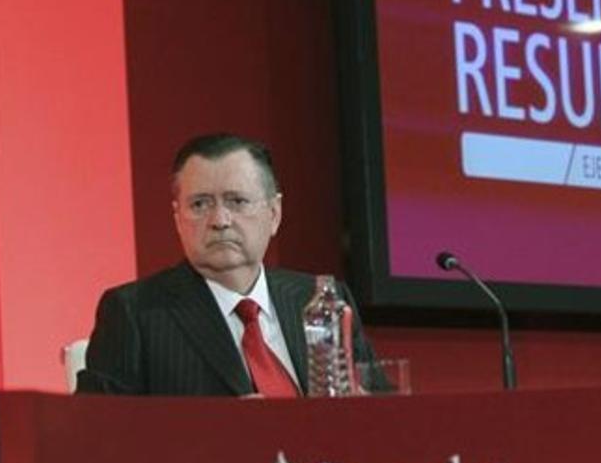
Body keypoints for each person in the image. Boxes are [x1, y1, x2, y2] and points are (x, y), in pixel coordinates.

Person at [77, 133, 386, 395]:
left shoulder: (322, 299)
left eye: (237, 201)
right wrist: (224, 433)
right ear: (177, 219)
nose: (220, 221)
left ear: (274, 213)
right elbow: (97, 438)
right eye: (200, 204)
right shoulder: (134, 313)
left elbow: (385, 411)